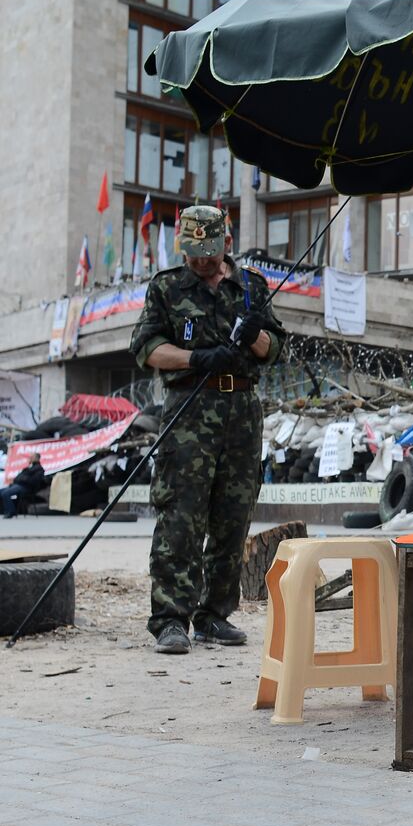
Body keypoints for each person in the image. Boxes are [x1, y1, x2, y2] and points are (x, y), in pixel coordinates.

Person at [129, 206, 285, 654]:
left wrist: (256, 336)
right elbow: (147, 348)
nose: (201, 261)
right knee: (180, 515)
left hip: (242, 413)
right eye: (193, 252)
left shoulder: (251, 287)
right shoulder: (166, 287)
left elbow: (275, 347)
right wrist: (195, 359)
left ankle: (214, 614)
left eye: (209, 252)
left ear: (227, 244)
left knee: (232, 519)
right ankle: (170, 619)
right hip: (189, 414)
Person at [1, 453, 46, 518]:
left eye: (32, 457)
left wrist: (22, 478)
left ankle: (11, 511)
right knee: (2, 492)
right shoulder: (28, 468)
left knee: (6, 493)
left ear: (37, 458)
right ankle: (7, 510)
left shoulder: (39, 469)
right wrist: (20, 479)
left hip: (25, 487)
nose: (30, 458)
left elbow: (33, 481)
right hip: (17, 485)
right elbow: (17, 478)